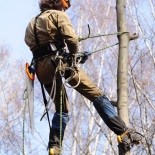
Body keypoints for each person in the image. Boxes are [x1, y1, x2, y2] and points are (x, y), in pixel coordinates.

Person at [25, 0, 143, 154]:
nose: (65, 10)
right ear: (58, 3)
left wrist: (73, 55)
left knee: (62, 109)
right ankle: (123, 132)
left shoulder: (31, 23)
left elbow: (40, 46)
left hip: (42, 70)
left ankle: (54, 147)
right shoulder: (58, 15)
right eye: (65, 7)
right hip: (59, 64)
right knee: (97, 95)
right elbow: (71, 39)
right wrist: (74, 55)